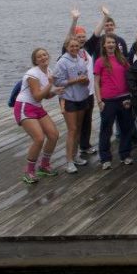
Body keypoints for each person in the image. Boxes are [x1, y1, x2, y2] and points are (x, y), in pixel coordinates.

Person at [15, 47, 63, 183]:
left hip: (36, 107)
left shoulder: (49, 71)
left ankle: (44, 166)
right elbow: (36, 96)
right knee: (39, 138)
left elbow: (46, 96)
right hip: (24, 106)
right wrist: (51, 84)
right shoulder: (32, 74)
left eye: (45, 55)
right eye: (39, 56)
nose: (43, 58)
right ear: (35, 61)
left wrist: (55, 91)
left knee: (53, 135)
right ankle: (29, 171)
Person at [95, 34, 135, 169]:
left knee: (126, 128)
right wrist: (99, 101)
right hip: (108, 100)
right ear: (104, 45)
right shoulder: (100, 61)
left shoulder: (122, 59)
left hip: (124, 98)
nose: (111, 44)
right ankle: (105, 158)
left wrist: (130, 96)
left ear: (116, 45)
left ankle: (125, 154)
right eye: (108, 42)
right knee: (106, 129)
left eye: (113, 42)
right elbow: (96, 83)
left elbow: (130, 77)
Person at [54, 35, 90, 173]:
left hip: (82, 97)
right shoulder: (62, 62)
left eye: (76, 46)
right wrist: (75, 81)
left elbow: (85, 78)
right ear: (67, 47)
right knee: (72, 129)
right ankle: (68, 161)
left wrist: (85, 80)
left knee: (79, 128)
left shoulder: (81, 59)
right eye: (71, 46)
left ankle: (75, 156)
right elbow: (57, 82)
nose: (74, 48)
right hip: (69, 99)